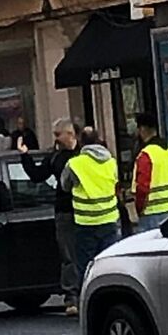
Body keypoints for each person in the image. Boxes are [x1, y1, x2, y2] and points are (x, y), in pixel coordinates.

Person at [18, 118, 80, 315]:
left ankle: (87, 293)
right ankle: (71, 298)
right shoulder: (55, 157)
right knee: (69, 256)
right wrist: (25, 155)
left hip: (88, 211)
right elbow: (37, 175)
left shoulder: (84, 155)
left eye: (57, 135)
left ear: (69, 134)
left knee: (87, 254)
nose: (55, 139)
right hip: (65, 211)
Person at [61, 127, 120, 317]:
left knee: (86, 267)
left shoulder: (75, 164)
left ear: (81, 142)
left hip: (85, 222)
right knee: (109, 264)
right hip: (110, 220)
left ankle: (89, 305)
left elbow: (65, 185)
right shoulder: (111, 162)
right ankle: (111, 301)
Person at [131, 113, 168, 232]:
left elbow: (142, 187)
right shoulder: (167, 150)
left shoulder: (146, 154)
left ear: (142, 129)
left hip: (151, 214)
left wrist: (139, 208)